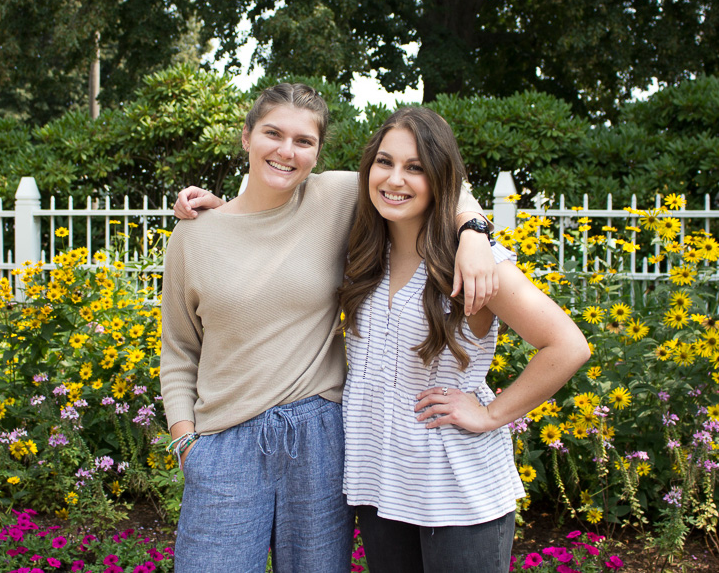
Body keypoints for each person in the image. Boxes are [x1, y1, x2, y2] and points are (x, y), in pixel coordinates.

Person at [160, 83, 499, 572]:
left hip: (318, 433)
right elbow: (178, 350)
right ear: (246, 137)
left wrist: (472, 233)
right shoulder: (195, 233)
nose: (286, 151)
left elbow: (442, 178)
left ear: (317, 153)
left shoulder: (338, 196)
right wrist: (186, 441)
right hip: (224, 442)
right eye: (273, 134)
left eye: (304, 141)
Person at [338, 106, 590, 573]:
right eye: (385, 162)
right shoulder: (364, 248)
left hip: (456, 490)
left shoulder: (475, 261)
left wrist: (492, 414)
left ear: (440, 178)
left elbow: (568, 345)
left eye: (415, 167)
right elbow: (284, 179)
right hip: (379, 481)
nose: (395, 179)